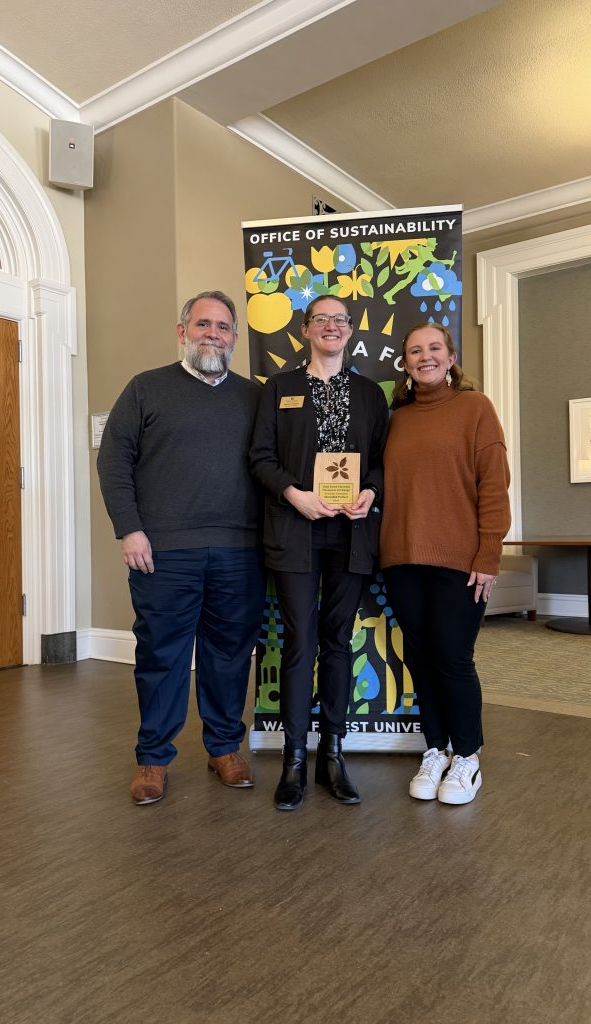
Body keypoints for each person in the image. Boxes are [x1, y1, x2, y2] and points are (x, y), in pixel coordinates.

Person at [97, 291, 264, 805]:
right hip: (163, 552)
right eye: (202, 324)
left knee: (229, 656)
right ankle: (153, 758)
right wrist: (129, 529)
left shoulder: (254, 397)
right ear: (182, 331)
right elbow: (113, 461)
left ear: (235, 337)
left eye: (222, 326)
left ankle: (225, 748)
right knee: (161, 656)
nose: (213, 334)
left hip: (240, 551)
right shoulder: (146, 388)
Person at [250, 296, 389, 811]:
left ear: (350, 331)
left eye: (340, 320)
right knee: (298, 642)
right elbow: (260, 458)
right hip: (296, 530)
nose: (331, 326)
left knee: (337, 642)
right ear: (306, 330)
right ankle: (293, 760)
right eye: (321, 319)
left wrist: (370, 492)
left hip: (351, 534)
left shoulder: (370, 393)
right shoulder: (279, 388)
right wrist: (295, 495)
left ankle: (332, 753)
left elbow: (383, 461)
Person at [380, 322, 511, 806]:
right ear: (406, 362)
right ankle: (435, 749)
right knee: (420, 658)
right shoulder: (395, 418)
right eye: (415, 351)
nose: (425, 357)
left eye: (434, 348)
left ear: (451, 357)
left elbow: (494, 486)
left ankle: (468, 757)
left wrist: (489, 553)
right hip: (400, 557)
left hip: (460, 560)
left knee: (453, 658)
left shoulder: (476, 409)